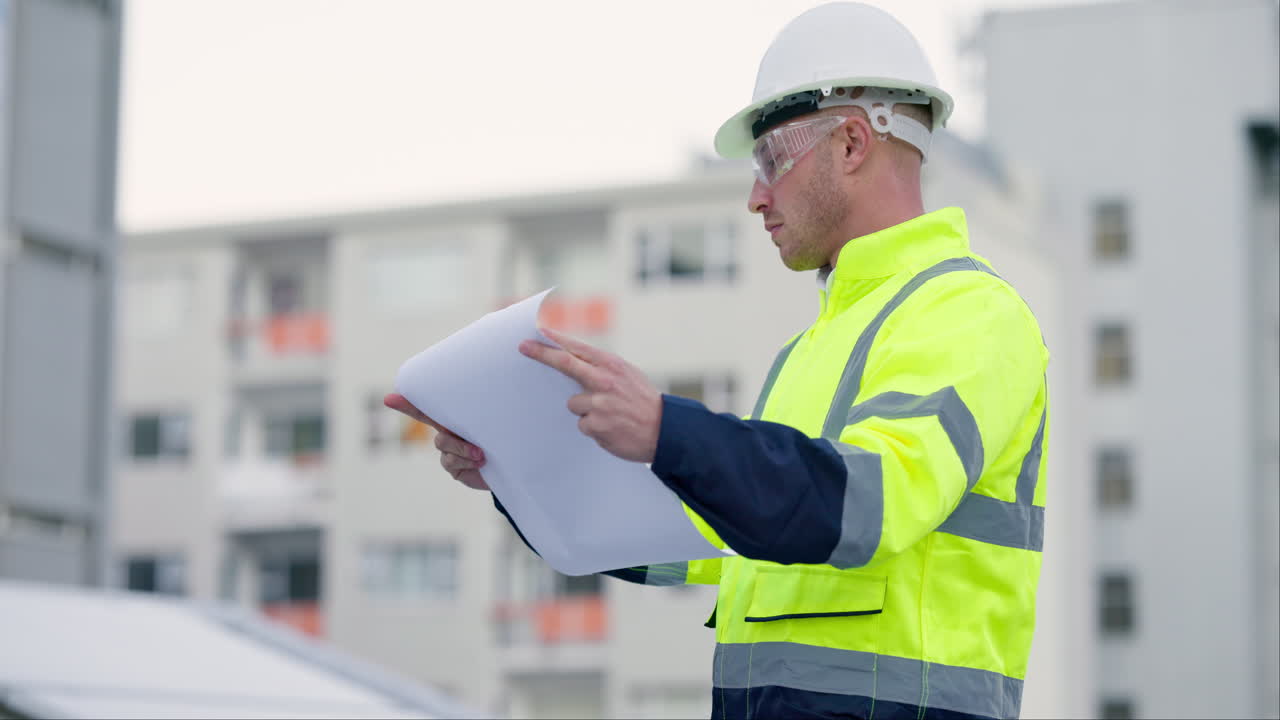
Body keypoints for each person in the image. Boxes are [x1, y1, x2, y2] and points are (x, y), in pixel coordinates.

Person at [386, 3, 1049, 718]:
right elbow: (695, 538)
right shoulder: (811, 349)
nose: (755, 197)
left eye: (770, 160)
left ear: (853, 142)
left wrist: (668, 429)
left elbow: (868, 503)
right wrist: (517, 468)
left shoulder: (968, 312)